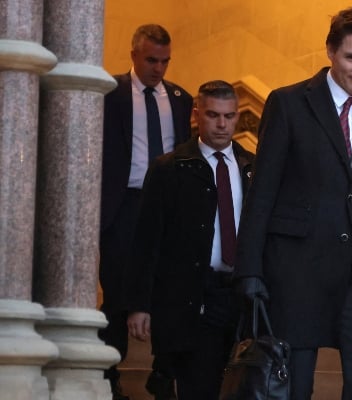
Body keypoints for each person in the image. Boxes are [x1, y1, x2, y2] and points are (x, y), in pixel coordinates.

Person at [233, 6, 352, 400]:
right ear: (330, 51)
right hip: (296, 270)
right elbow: (262, 193)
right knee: (293, 387)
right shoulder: (289, 103)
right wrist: (250, 270)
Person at [124, 80, 255, 400]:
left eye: (229, 116)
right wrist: (139, 305)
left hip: (241, 295)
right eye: (213, 115)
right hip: (194, 296)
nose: (222, 124)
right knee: (199, 387)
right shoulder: (170, 168)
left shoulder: (252, 166)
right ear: (197, 114)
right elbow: (146, 240)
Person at [100, 23, 193, 400]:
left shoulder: (181, 98)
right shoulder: (110, 93)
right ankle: (109, 369)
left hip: (168, 206)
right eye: (152, 60)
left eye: (165, 61)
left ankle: (164, 371)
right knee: (120, 291)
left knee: (171, 289)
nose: (159, 68)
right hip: (123, 205)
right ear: (134, 55)